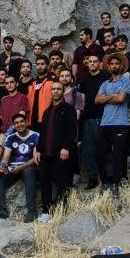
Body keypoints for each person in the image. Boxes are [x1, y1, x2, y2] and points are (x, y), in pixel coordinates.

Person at [95, 52, 130, 196]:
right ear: (109, 67)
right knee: (101, 153)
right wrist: (113, 96)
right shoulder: (105, 83)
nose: (114, 66)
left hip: (120, 122)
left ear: (121, 65)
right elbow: (97, 100)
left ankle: (116, 184)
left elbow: (121, 99)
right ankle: (105, 182)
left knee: (118, 154)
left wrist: (106, 97)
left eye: (117, 63)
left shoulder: (126, 81)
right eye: (112, 64)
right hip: (105, 122)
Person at [38, 82, 78, 215]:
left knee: (62, 183)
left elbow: (72, 131)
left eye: (58, 89)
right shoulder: (47, 111)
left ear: (62, 91)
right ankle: (46, 211)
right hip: (45, 154)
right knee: (44, 183)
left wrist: (66, 147)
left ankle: (62, 211)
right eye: (53, 89)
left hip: (60, 153)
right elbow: (42, 132)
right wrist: (38, 149)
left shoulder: (69, 109)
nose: (55, 91)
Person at [0, 112, 41, 221]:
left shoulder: (35, 136)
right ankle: (1, 210)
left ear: (26, 122)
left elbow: (35, 159)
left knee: (29, 172)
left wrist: (21, 167)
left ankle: (32, 212)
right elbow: (6, 156)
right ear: (14, 126)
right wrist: (3, 165)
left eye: (21, 121)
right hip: (13, 168)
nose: (19, 124)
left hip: (28, 167)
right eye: (16, 123)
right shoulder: (11, 137)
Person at [77, 54, 108, 189]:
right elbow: (80, 99)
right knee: (87, 151)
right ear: (87, 63)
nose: (93, 63)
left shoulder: (106, 77)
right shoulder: (83, 79)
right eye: (90, 61)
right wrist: (79, 115)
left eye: (95, 61)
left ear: (99, 63)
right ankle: (93, 178)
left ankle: (106, 177)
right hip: (88, 118)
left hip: (103, 117)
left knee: (103, 149)